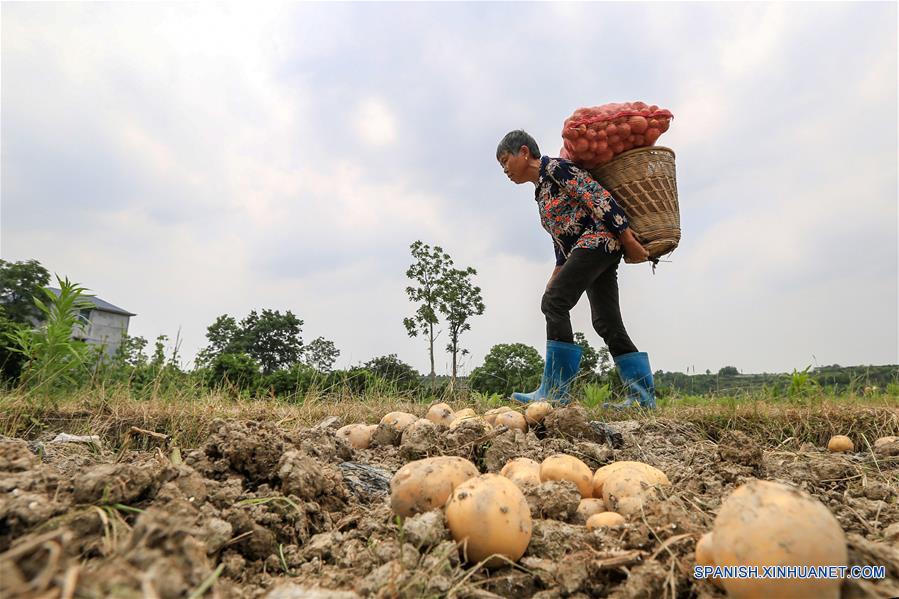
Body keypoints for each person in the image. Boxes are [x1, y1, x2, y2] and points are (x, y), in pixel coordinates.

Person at [496, 129, 655, 408]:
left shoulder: (556, 168)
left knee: (554, 303)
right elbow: (563, 239)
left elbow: (598, 197)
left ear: (523, 151)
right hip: (587, 247)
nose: (504, 170)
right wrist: (555, 275)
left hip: (599, 240)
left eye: (505, 160)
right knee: (605, 321)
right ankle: (642, 399)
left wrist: (628, 240)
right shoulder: (541, 192)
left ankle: (557, 392)